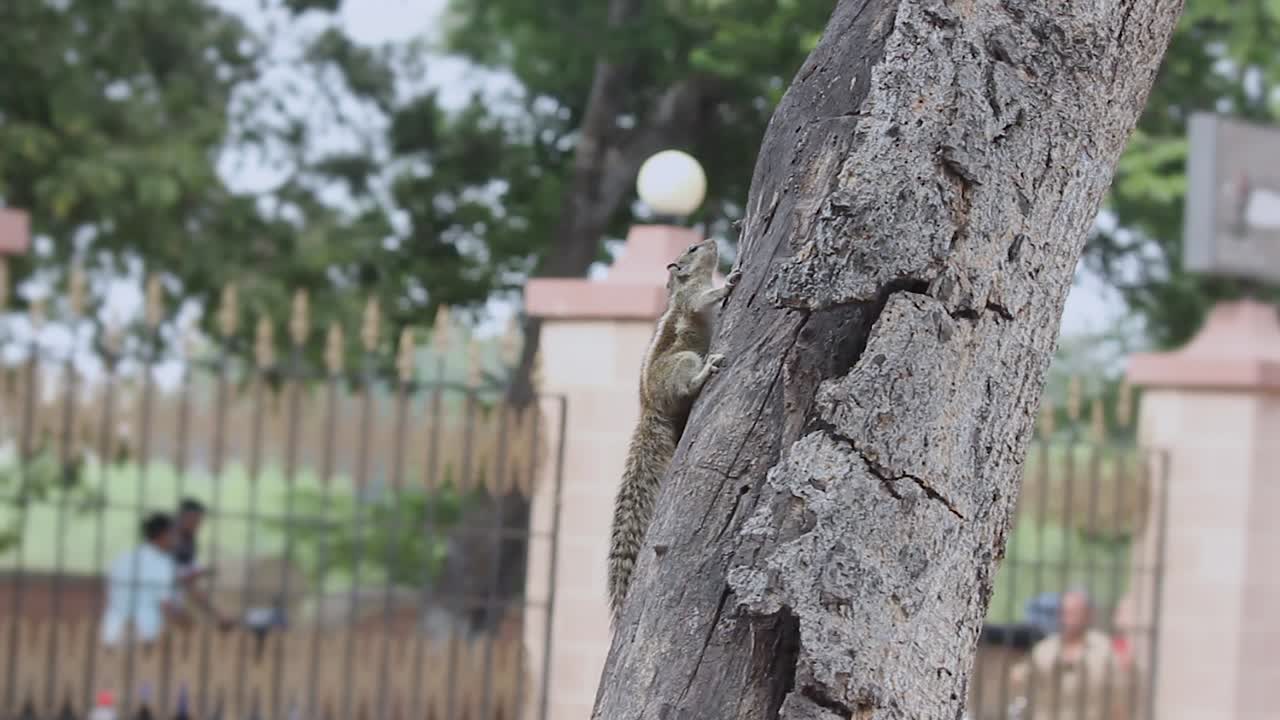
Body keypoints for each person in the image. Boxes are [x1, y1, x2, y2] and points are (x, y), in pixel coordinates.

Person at [1008, 589, 1133, 719]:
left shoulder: (1104, 648)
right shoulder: (1045, 648)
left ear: (1088, 615)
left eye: (1075, 612)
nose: (1068, 618)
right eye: (1065, 612)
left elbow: (1119, 698)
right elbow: (1019, 680)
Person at [101, 513, 190, 646]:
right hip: (144, 635)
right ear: (164, 535)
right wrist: (188, 626)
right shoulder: (161, 564)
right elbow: (166, 606)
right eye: (174, 534)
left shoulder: (124, 557)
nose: (177, 539)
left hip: (111, 633)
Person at [173, 498, 235, 631]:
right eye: (196, 520)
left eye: (200, 521)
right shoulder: (169, 539)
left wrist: (199, 572)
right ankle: (220, 617)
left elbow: (187, 571)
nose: (199, 525)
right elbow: (174, 576)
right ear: (184, 517)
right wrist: (199, 572)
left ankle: (221, 617)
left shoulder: (189, 540)